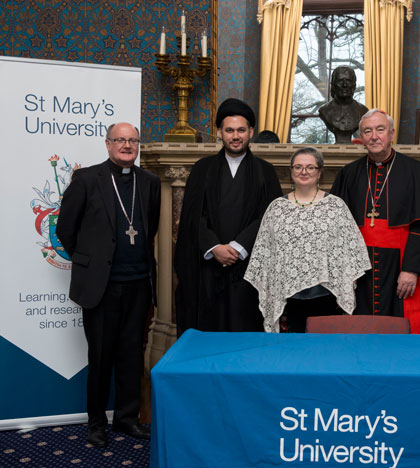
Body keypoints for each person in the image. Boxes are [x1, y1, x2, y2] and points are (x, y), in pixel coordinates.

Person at [56, 122, 160, 447]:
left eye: (133, 140)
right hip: (101, 285)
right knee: (100, 356)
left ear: (138, 145)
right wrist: (90, 262)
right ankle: (96, 423)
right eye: (120, 140)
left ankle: (127, 419)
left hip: (139, 284)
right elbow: (65, 229)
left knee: (131, 354)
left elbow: (150, 227)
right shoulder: (87, 179)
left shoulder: (150, 182)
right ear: (108, 144)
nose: (127, 145)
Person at [174, 98, 282, 335]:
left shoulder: (266, 172)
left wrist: (237, 246)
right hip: (208, 268)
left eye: (241, 130)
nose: (236, 136)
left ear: (251, 132)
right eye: (230, 130)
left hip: (250, 268)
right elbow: (192, 217)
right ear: (220, 133)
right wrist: (214, 247)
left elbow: (270, 217)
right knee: (209, 334)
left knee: (245, 333)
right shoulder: (202, 168)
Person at [331, 109, 420, 334]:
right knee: (358, 326)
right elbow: (337, 227)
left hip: (400, 263)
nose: (374, 136)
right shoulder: (348, 173)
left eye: (380, 130)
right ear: (361, 137)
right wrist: (345, 269)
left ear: (391, 134)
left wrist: (411, 269)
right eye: (367, 131)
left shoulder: (416, 171)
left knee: (399, 327)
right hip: (360, 265)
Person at [245, 147, 371, 332]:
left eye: (310, 167)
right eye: (298, 167)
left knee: (323, 349)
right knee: (292, 351)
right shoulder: (276, 208)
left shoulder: (335, 206)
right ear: (291, 171)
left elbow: (350, 248)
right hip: (287, 295)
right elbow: (265, 252)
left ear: (320, 172)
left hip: (326, 293)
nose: (304, 171)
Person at [318, 66, 369, 143]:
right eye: (340, 81)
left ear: (354, 85)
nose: (345, 85)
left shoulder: (363, 111)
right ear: (333, 85)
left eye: (348, 81)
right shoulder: (324, 111)